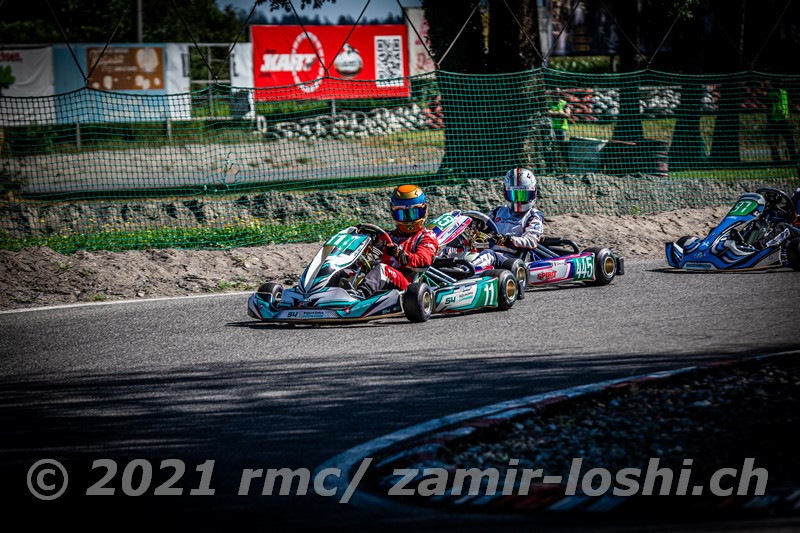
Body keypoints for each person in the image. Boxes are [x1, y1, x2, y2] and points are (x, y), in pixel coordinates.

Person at [354, 184, 438, 298]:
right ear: (394, 213)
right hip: (379, 281)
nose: (408, 220)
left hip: (407, 285)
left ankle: (359, 297)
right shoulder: (387, 236)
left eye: (414, 213)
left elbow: (423, 262)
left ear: (424, 210)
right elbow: (372, 258)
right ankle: (334, 293)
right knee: (349, 268)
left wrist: (398, 253)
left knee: (382, 270)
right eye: (402, 215)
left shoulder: (426, 236)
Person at [471, 168, 544, 271]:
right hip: (490, 252)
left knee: (488, 255)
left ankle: (464, 272)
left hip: (512, 258)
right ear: (506, 193)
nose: (518, 201)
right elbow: (485, 230)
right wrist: (477, 227)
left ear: (533, 193)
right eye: (514, 195)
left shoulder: (533, 215)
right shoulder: (498, 211)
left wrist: (508, 240)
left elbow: (531, 241)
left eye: (523, 195)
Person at [766, 86, 797, 163]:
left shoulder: (784, 92)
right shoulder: (770, 94)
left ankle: (793, 158)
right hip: (774, 121)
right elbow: (768, 108)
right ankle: (777, 160)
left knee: (789, 140)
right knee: (775, 141)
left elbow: (787, 104)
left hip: (783, 120)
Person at [548, 92, 571, 171]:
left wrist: (556, 113)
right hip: (553, 128)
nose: (556, 98)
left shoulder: (564, 103)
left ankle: (564, 166)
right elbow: (547, 112)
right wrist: (559, 113)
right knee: (552, 147)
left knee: (562, 147)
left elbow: (567, 114)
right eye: (554, 96)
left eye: (558, 96)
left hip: (562, 128)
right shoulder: (549, 104)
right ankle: (553, 167)